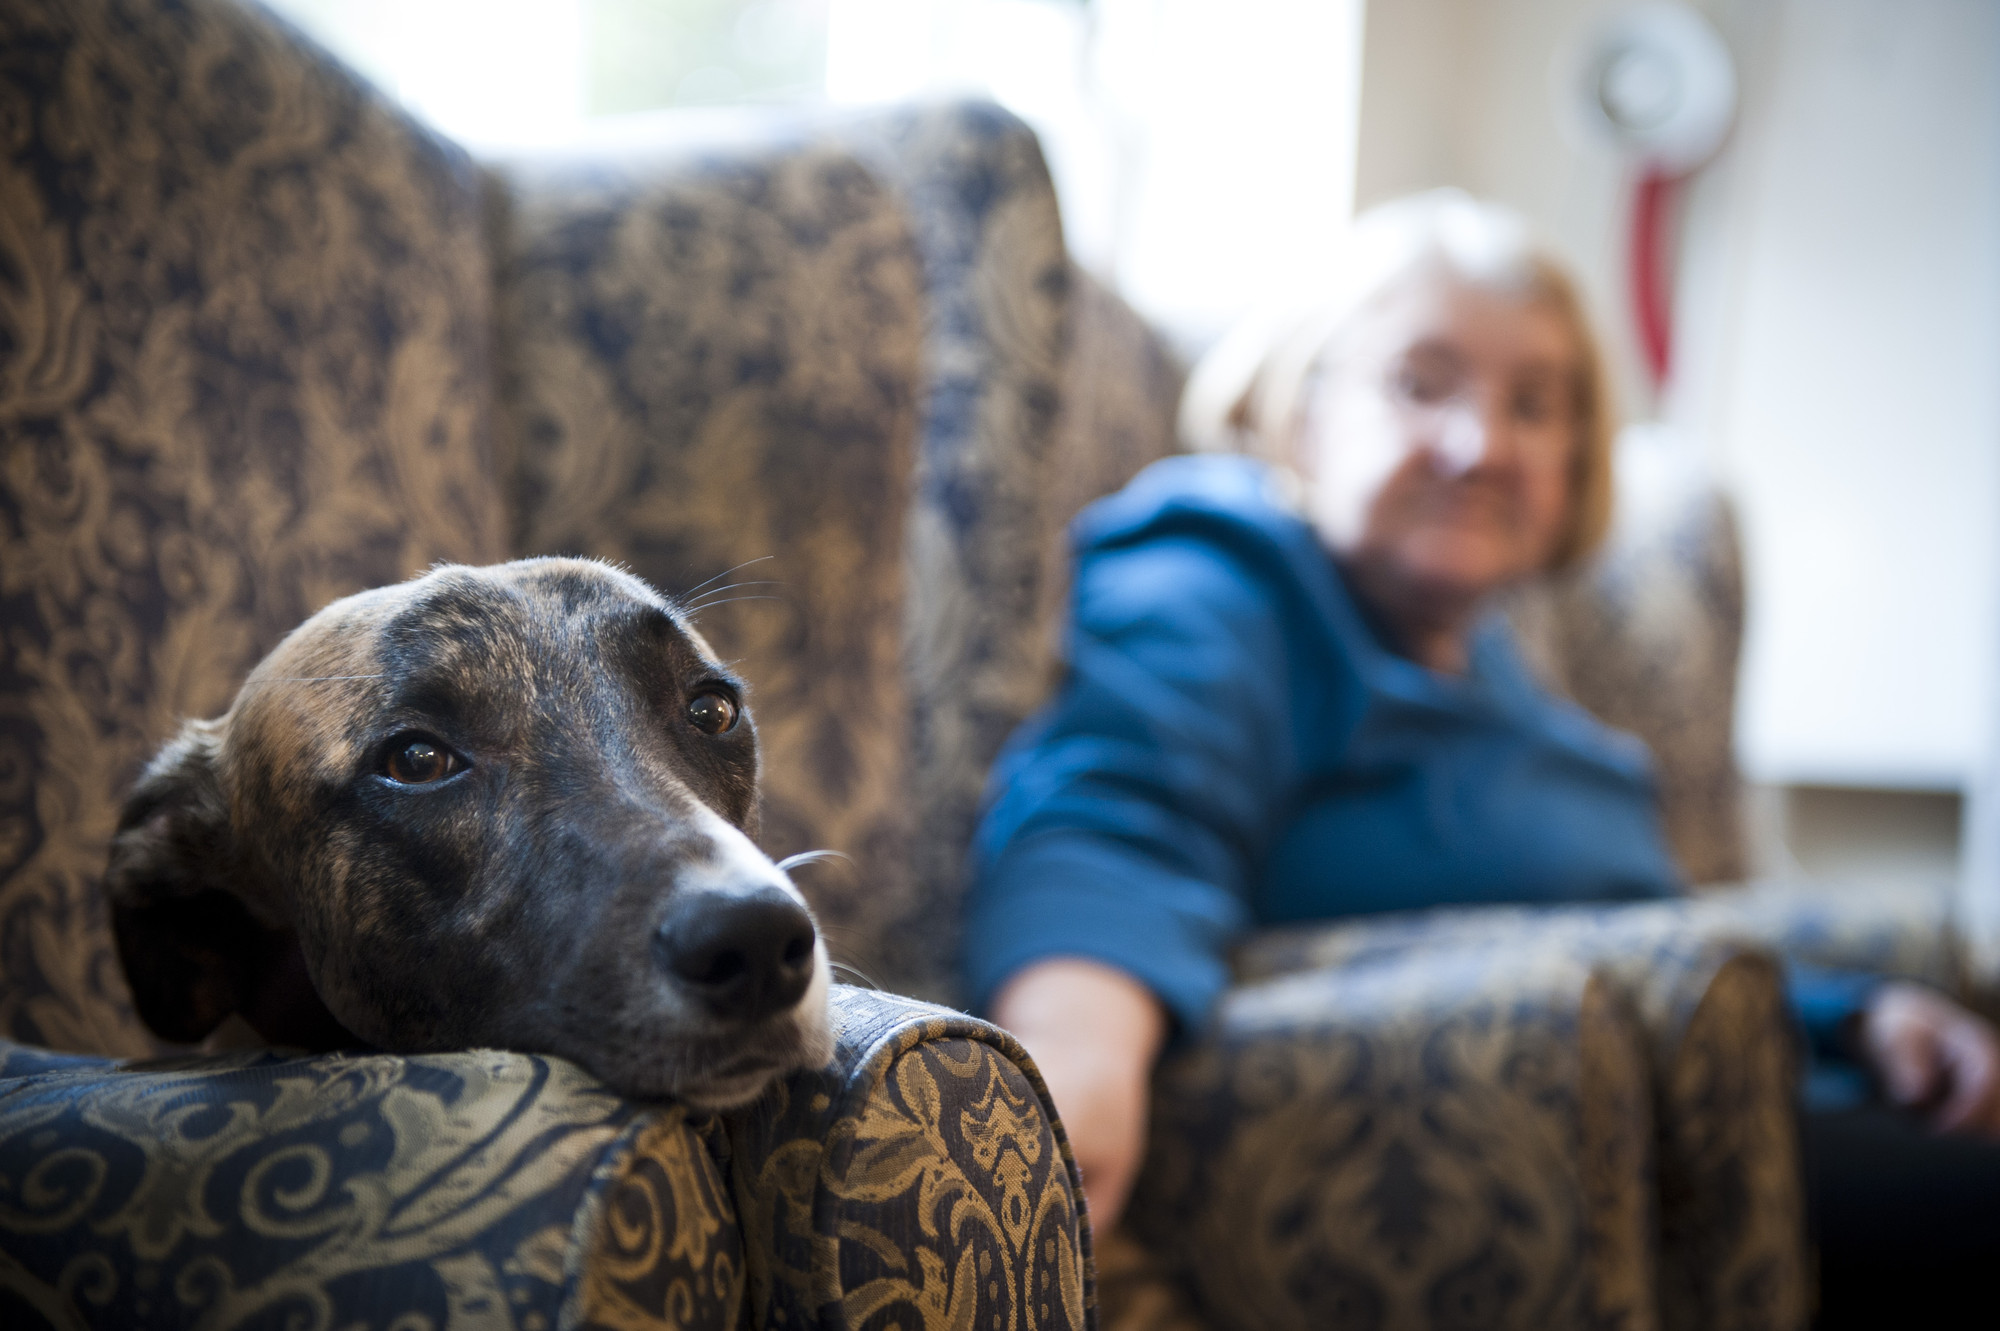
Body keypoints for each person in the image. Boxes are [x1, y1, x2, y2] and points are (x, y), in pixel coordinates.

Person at [961, 191, 2000, 1317]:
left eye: (1535, 405)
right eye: (1419, 381)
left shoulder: (1500, 671)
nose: (1480, 446)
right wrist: (1070, 1066)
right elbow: (1117, 815)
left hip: (1690, 1154)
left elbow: (1630, 934)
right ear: (1301, 412)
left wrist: (1843, 1016)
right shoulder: (1224, 574)